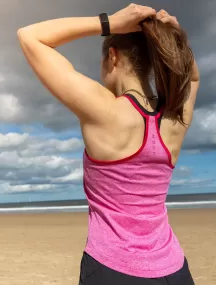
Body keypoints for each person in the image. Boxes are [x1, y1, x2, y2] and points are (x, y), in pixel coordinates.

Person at [17, 4, 200, 285]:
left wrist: (110, 22)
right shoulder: (174, 119)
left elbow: (30, 36)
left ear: (112, 57)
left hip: (113, 269)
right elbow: (194, 77)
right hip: (174, 271)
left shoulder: (105, 110)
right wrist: (173, 34)